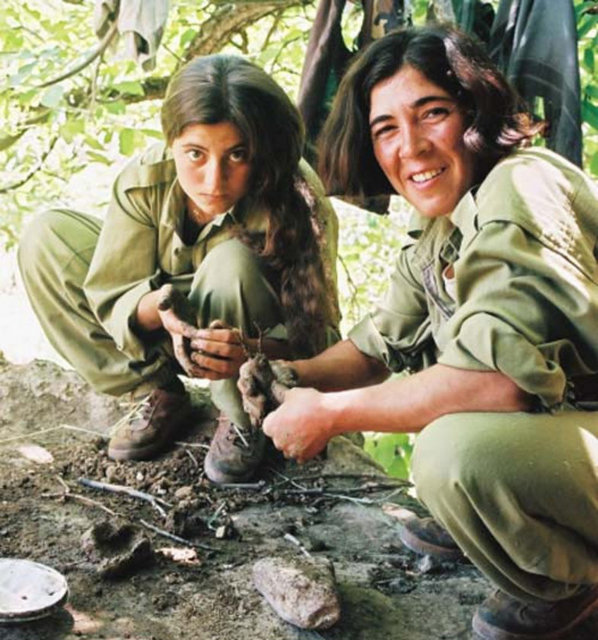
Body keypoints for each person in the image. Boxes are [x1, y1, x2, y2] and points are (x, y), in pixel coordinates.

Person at [240, 25, 598, 640]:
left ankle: (572, 582)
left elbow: (497, 384)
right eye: (385, 128)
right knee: (445, 424)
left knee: (453, 453)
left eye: (432, 113)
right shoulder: (444, 225)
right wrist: (292, 375)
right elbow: (377, 346)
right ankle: (505, 525)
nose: (410, 146)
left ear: (476, 112)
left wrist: (330, 414)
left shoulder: (521, 184)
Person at [18, 54, 340, 485]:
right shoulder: (145, 180)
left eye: (237, 155)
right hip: (168, 331)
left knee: (231, 261)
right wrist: (162, 310)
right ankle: (155, 390)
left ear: (261, 150)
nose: (213, 179)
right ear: (170, 142)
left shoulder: (297, 199)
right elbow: (112, 295)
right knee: (46, 237)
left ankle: (242, 415)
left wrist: (250, 352)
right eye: (195, 154)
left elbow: (319, 345)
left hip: (249, 349)